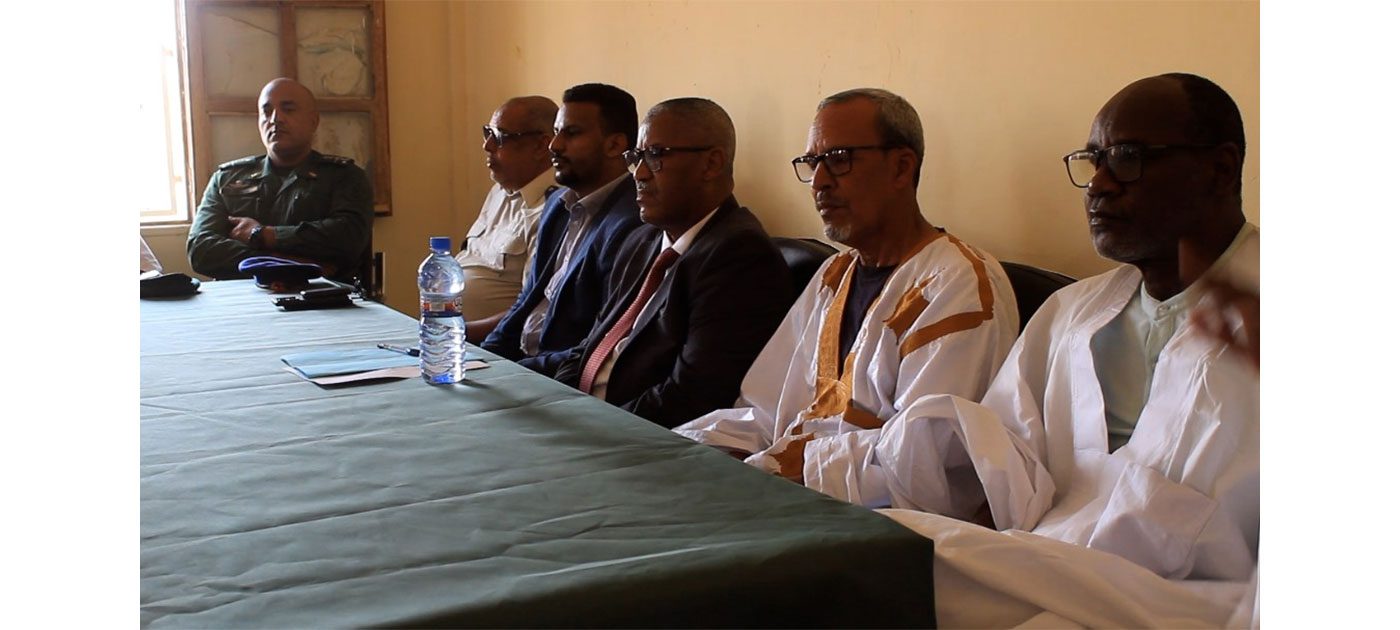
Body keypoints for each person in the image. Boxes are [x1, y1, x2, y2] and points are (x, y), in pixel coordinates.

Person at [877, 73, 1259, 628]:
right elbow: (1004, 454)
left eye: (1127, 158)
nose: (1099, 184)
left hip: (1198, 605)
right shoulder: (1072, 312)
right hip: (1048, 567)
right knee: (876, 555)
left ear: (1220, 169)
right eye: (1093, 159)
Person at [673, 88, 1018, 509]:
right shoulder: (834, 275)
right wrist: (685, 449)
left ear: (901, 167)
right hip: (783, 490)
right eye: (812, 163)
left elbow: (920, 463)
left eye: (839, 159)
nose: (819, 182)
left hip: (875, 523)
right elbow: (765, 411)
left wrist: (768, 469)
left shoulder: (958, 285)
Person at [553, 98, 792, 428]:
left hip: (637, 439)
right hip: (587, 420)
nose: (639, 173)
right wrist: (556, 405)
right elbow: (590, 349)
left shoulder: (740, 256)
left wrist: (588, 428)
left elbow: (690, 397)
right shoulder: (642, 240)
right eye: (636, 157)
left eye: (656, 155)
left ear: (711, 164)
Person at [481, 84, 643, 376]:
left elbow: (599, 343)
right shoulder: (558, 204)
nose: (554, 145)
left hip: (556, 378)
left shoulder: (633, 224)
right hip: (519, 366)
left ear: (615, 145)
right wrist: (484, 359)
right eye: (556, 132)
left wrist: (513, 373)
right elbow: (526, 302)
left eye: (571, 133)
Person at [186, 78, 372, 282]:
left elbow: (348, 240)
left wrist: (262, 235)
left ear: (313, 121)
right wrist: (290, 264)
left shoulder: (345, 176)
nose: (275, 119)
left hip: (321, 296)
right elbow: (200, 250)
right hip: (242, 297)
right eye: (266, 112)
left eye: (288, 109)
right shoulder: (227, 179)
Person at [459, 96, 559, 343]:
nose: (487, 145)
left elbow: (532, 310)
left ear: (541, 146)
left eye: (500, 136)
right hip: (452, 334)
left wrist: (458, 333)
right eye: (487, 133)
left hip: (490, 345)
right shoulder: (500, 190)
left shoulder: (555, 209)